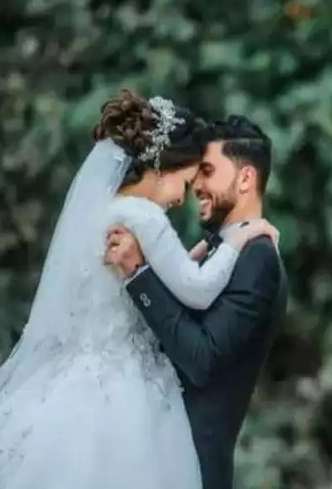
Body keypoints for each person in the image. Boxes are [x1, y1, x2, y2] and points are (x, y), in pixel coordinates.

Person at [0, 90, 279, 489]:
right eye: (184, 182)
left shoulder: (103, 211)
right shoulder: (146, 217)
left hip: (71, 380)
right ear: (162, 169)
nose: (182, 197)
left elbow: (159, 276)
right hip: (124, 390)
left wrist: (194, 253)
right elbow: (196, 290)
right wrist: (238, 240)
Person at [104, 116, 289, 489]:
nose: (196, 186)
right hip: (154, 455)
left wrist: (138, 273)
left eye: (207, 172)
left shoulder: (257, 257)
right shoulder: (219, 253)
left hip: (191, 466)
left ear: (245, 179)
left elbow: (201, 360)